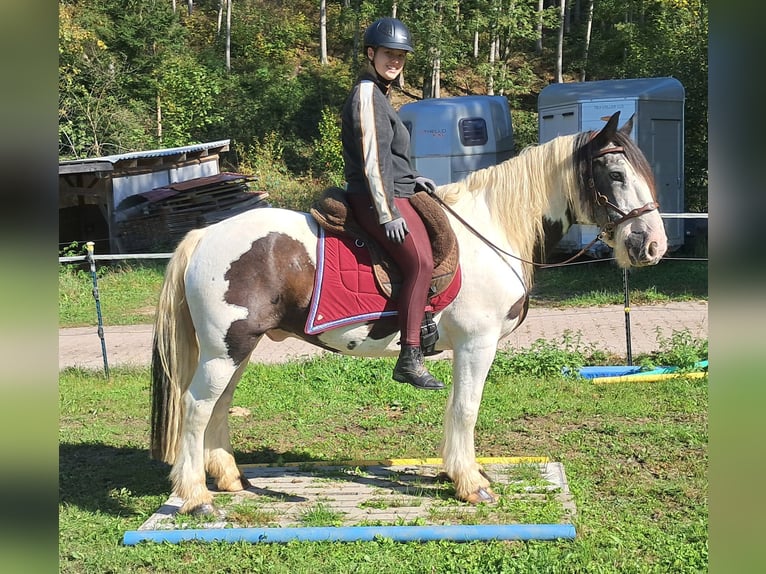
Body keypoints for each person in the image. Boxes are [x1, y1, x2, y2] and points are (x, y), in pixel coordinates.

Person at [341, 17, 444, 391]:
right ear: (371, 53)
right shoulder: (367, 94)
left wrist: (412, 178)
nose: (395, 61)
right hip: (374, 198)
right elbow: (372, 159)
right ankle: (410, 356)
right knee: (421, 262)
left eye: (400, 56)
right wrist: (387, 212)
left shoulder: (381, 96)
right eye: (389, 54)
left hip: (396, 189)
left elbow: (391, 155)